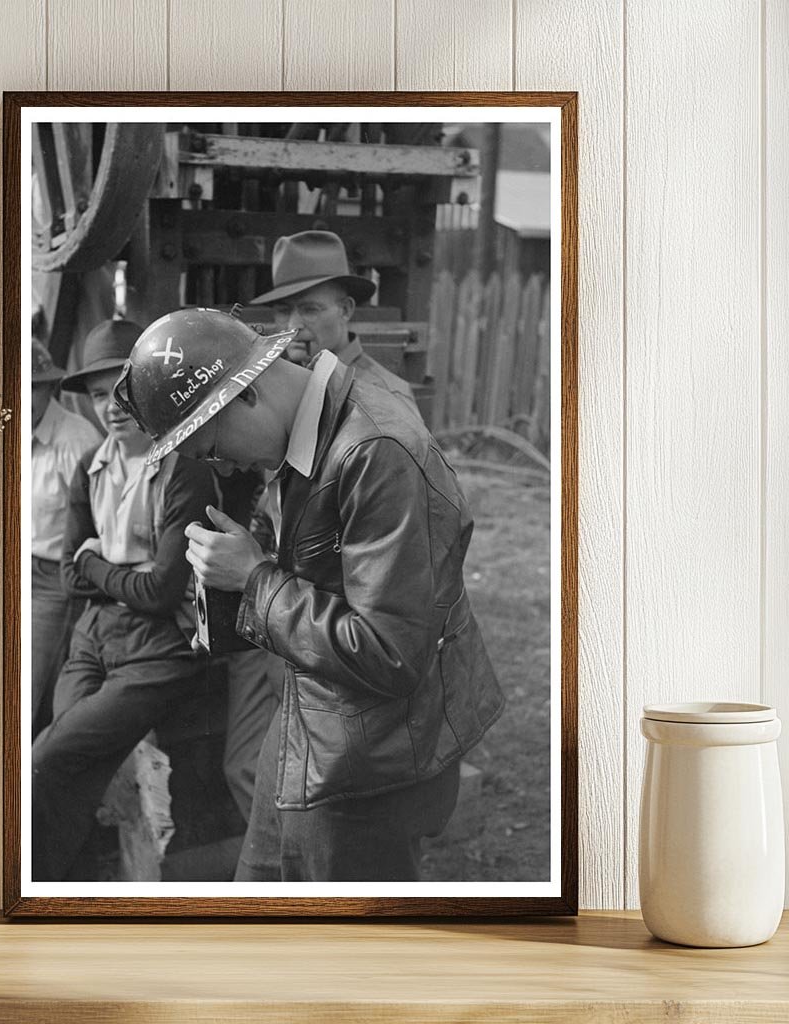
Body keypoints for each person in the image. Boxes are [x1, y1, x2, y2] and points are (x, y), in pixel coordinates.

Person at [113, 307, 505, 882]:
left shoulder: (377, 452)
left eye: (212, 447)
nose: (224, 465)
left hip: (376, 762)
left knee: (344, 957)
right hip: (315, 721)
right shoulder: (312, 426)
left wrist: (253, 579)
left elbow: (390, 651)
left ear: (244, 394)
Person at [31, 319, 216, 882]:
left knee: (45, 758)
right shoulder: (92, 468)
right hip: (94, 639)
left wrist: (96, 563)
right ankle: (61, 882)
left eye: (122, 389)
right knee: (71, 768)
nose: (109, 406)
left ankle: (41, 879)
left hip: (160, 651)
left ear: (149, 387)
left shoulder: (186, 468)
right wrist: (115, 571)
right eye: (94, 394)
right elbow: (69, 577)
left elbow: (161, 594)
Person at [252, 229, 422, 420]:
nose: (293, 325)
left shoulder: (384, 396)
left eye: (310, 310)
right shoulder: (273, 388)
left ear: (345, 310)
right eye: (283, 311)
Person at [30, 336, 101, 737]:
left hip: (52, 578)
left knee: (29, 683)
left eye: (33, 390)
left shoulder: (76, 439)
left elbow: (96, 521)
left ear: (49, 388)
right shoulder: (7, 431)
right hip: (9, 569)